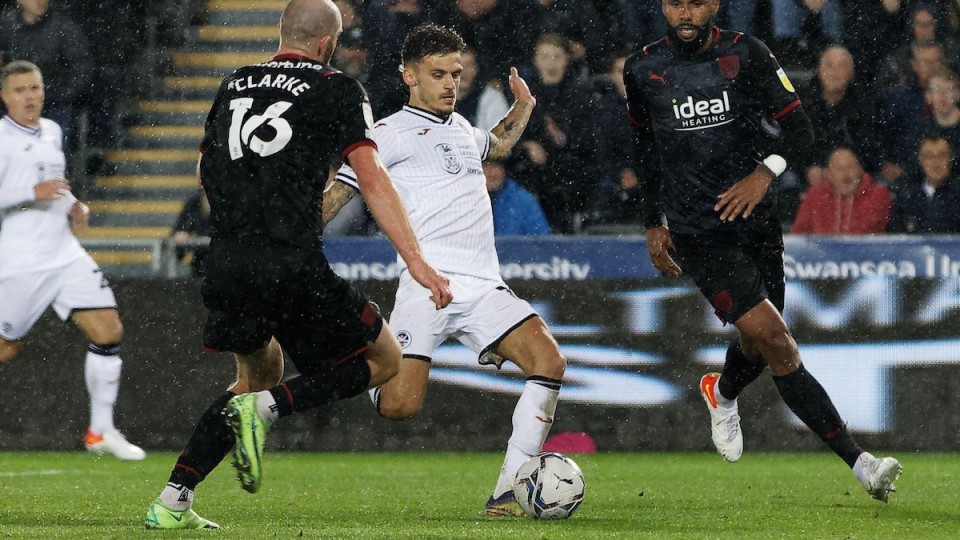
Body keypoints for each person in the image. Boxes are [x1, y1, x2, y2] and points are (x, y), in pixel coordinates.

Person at [143, 1, 452, 530]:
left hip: (225, 260)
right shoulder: (338, 87)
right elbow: (371, 176)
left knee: (256, 375)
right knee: (384, 360)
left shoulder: (234, 82)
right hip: (289, 260)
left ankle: (173, 501)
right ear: (328, 43)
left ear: (280, 33)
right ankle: (267, 412)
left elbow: (204, 172)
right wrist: (417, 261)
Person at [623, 0, 901, 503]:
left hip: (756, 222)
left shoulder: (746, 53)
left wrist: (763, 173)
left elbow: (801, 130)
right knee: (777, 340)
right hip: (698, 233)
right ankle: (862, 463)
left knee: (759, 341)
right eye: (674, 4)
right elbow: (645, 151)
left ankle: (722, 391)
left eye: (694, 3)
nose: (684, 13)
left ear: (713, 6)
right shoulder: (642, 67)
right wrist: (652, 223)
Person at [331, 23, 565, 517]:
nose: (450, 84)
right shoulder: (386, 134)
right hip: (425, 285)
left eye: (456, 74)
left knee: (550, 363)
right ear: (408, 76)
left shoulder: (461, 129)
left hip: (483, 286)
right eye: (438, 74)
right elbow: (339, 194)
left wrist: (523, 107)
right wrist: (286, 230)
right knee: (399, 407)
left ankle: (507, 491)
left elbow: (497, 145)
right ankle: (367, 351)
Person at [0, 60, 144, 461]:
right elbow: (27, 189)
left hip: (63, 253)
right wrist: (32, 190)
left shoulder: (52, 131)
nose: (29, 96)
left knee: (108, 329)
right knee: (6, 349)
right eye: (19, 90)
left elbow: (55, 186)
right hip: (21, 260)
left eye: (34, 87)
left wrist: (72, 204)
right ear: (4, 96)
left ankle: (101, 431)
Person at [0, 0, 94, 157]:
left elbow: (82, 66)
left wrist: (63, 94)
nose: (39, 1)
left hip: (56, 106)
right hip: (11, 107)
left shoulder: (63, 27)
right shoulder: (5, 25)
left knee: (53, 155)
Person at [791, 147, 893, 235]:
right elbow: (800, 232)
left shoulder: (878, 195)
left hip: (867, 255)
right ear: (828, 174)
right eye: (839, 169)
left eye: (850, 167)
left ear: (860, 169)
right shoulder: (814, 195)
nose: (846, 174)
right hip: (823, 254)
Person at [888, 134, 960, 233]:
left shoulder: (957, 194)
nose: (936, 162)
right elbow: (896, 237)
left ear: (951, 159)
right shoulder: (907, 197)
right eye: (929, 156)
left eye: (942, 155)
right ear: (920, 160)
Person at [484, 160, 552, 235]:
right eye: (486, 167)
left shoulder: (524, 201)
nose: (491, 173)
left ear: (503, 170)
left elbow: (541, 240)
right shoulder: (469, 200)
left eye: (495, 166)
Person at [171, 188, 211, 276]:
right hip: (200, 266)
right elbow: (179, 231)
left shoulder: (228, 205)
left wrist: (197, 235)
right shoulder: (193, 204)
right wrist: (182, 234)